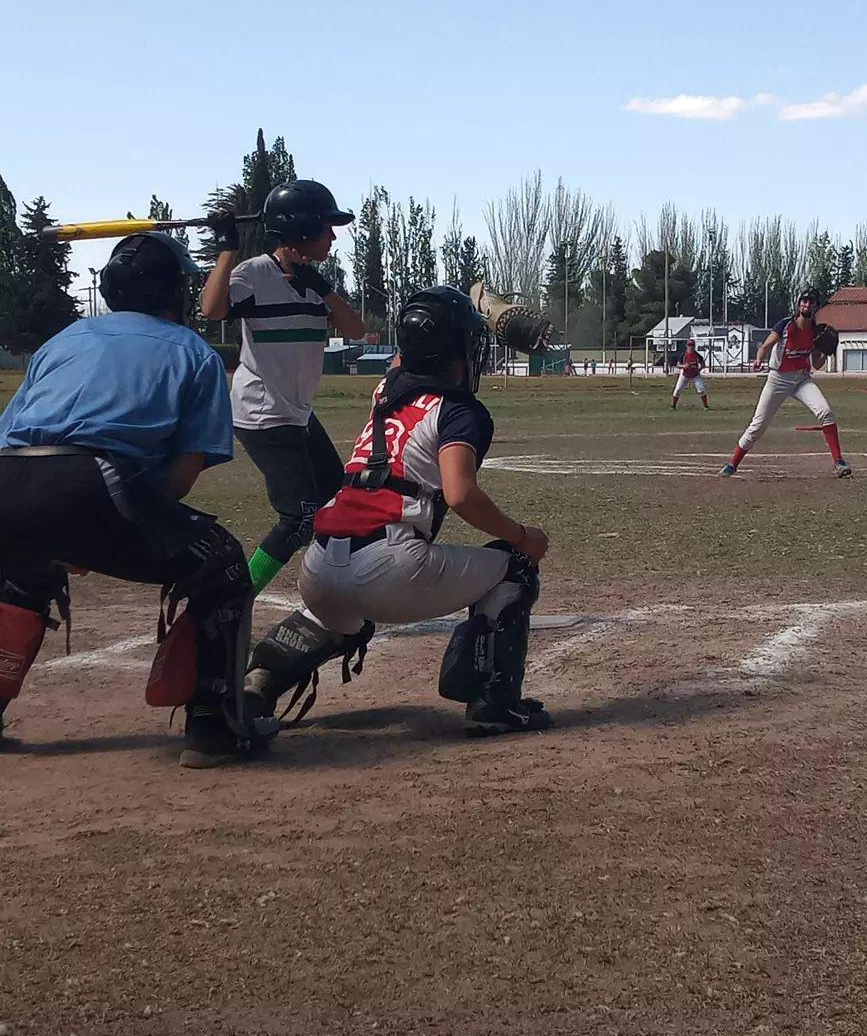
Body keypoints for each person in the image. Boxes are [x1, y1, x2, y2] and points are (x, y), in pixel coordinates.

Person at [0, 233, 278, 767]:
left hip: (7, 478)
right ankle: (212, 726)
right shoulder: (193, 352)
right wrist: (106, 532)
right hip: (93, 481)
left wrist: (76, 533)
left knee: (22, 572)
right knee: (220, 564)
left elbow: (14, 438)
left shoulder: (62, 341)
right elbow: (181, 475)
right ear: (175, 291)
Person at [245, 286, 553, 736]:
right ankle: (494, 701)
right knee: (515, 567)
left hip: (319, 566)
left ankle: (262, 679)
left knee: (340, 614)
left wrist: (467, 309)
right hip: (389, 566)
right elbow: (461, 494)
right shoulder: (460, 411)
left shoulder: (386, 388)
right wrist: (522, 535)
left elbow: (413, 349)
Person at [201, 180, 366, 596]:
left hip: (296, 413)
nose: (332, 236)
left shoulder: (313, 283)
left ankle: (337, 585)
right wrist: (227, 249)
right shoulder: (254, 274)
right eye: (326, 227)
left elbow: (356, 330)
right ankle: (234, 597)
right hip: (263, 414)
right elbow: (211, 309)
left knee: (336, 501)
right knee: (300, 518)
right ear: (300, 232)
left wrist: (321, 285)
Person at [721, 288, 851, 479]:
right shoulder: (785, 325)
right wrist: (758, 360)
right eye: (804, 301)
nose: (807, 305)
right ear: (799, 304)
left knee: (825, 412)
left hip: (802, 380)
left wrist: (825, 352)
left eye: (811, 302)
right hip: (778, 379)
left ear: (816, 307)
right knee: (758, 426)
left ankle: (839, 462)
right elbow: (765, 346)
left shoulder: (816, 331)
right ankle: (733, 464)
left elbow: (817, 364)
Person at [671, 338, 709, 410]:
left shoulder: (697, 355)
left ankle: (706, 406)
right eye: (689, 345)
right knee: (678, 389)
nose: (690, 347)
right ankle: (673, 406)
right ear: (686, 346)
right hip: (684, 374)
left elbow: (703, 364)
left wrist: (699, 369)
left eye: (692, 345)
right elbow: (678, 365)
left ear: (694, 346)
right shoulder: (683, 355)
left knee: (701, 389)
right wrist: (684, 366)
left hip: (695, 374)